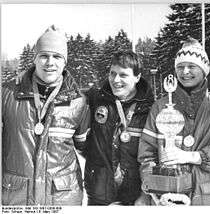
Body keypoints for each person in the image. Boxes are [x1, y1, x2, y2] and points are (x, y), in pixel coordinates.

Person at [138, 37, 210, 205]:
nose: (185, 72)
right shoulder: (160, 107)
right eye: (180, 67)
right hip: (167, 200)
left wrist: (193, 156)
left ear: (204, 70)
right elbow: (146, 155)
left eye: (192, 66)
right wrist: (154, 188)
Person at [2, 25, 90, 205]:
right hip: (16, 198)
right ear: (34, 59)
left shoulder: (79, 101)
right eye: (44, 56)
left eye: (57, 56)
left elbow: (87, 149)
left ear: (65, 61)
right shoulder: (7, 94)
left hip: (62, 199)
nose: (50, 62)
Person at [83, 51, 154, 205]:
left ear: (137, 77)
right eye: (112, 73)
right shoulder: (96, 99)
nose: (115, 80)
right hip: (99, 195)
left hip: (135, 197)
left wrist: (146, 194)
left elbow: (154, 156)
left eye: (123, 75)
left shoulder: (150, 109)